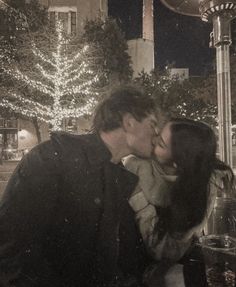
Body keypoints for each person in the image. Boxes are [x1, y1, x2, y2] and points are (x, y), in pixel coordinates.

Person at [0, 85, 158, 287]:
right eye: (152, 124)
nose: (157, 134)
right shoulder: (51, 158)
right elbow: (11, 250)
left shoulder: (117, 175)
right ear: (129, 122)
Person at [124, 118, 234, 286]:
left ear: (178, 162)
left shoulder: (202, 186)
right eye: (158, 134)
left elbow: (168, 251)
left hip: (169, 263)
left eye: (161, 144)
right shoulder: (136, 165)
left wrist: (138, 197)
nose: (153, 140)